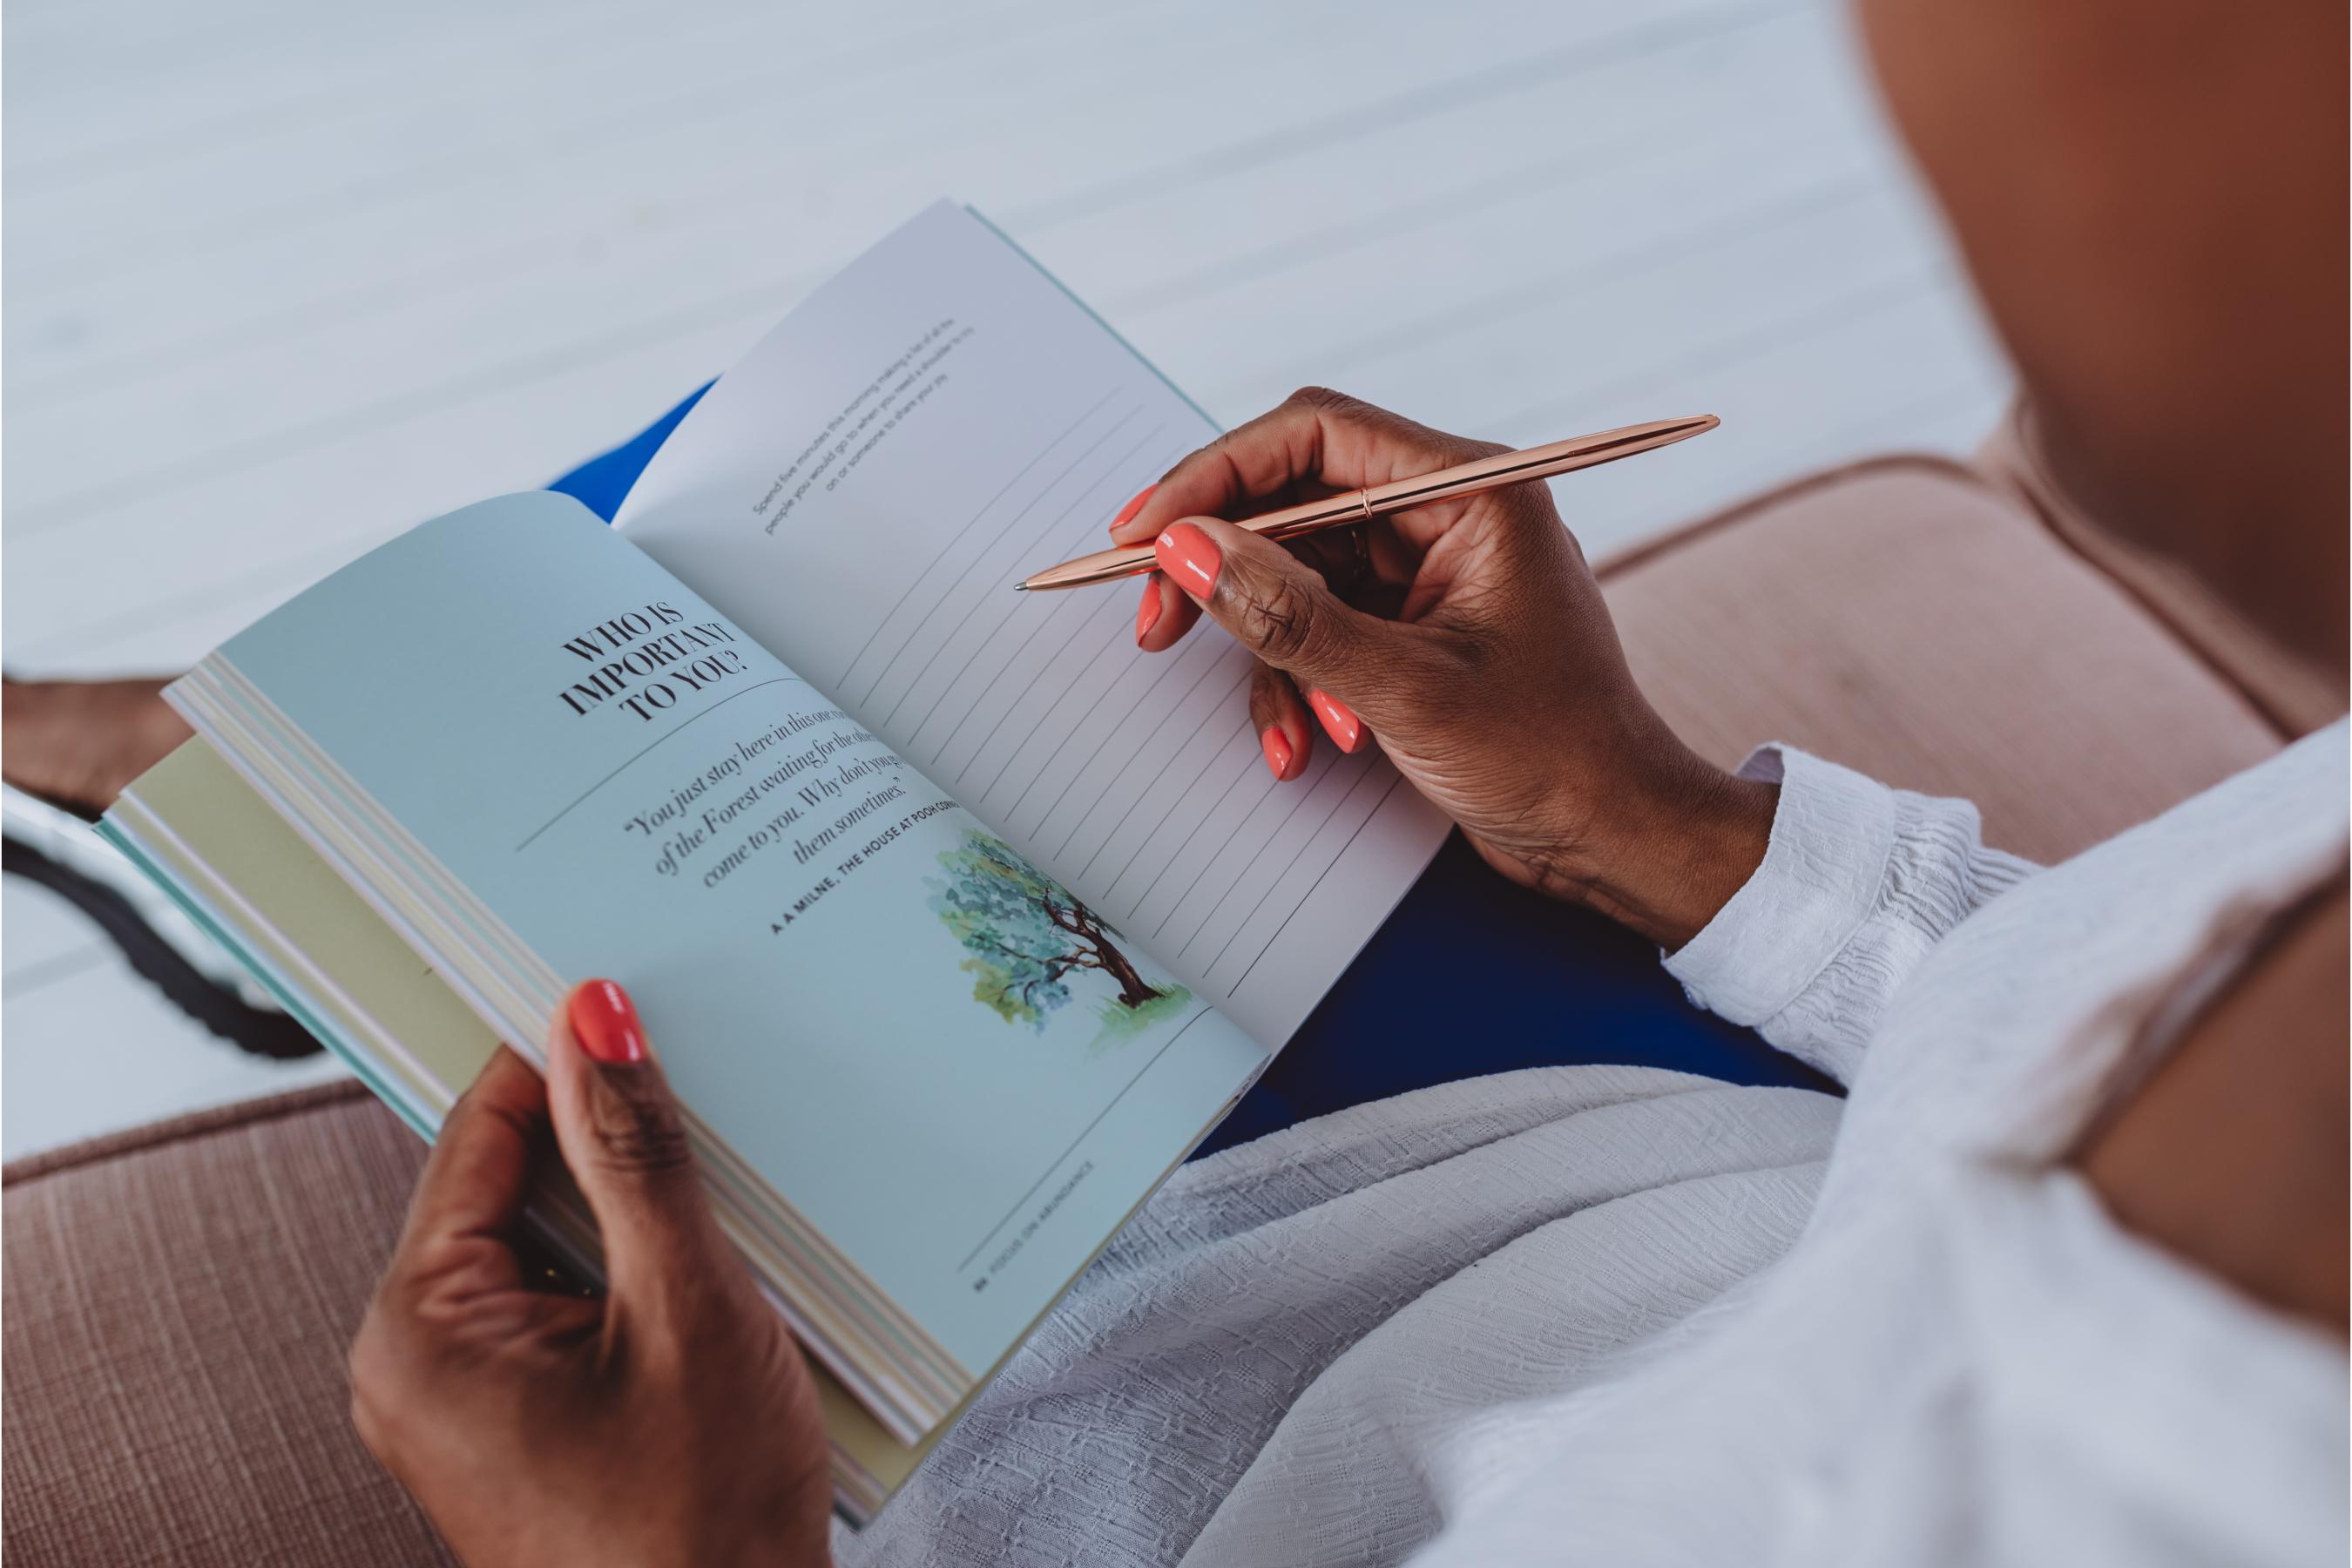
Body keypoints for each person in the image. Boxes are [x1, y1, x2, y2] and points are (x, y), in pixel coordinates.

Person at [13, 0, 2347, 1562]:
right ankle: (254, 778)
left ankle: (237, 808)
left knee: (560, 756)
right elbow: (2038, 1019)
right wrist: (1664, 826)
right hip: (1611, 1108)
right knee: (715, 568)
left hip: (1080, 1410)